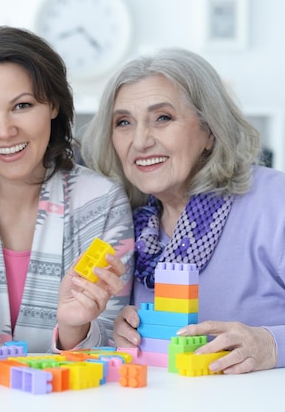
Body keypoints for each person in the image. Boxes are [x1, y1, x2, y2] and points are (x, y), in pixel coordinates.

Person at [81, 47, 285, 374]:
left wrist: (271, 344)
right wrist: (125, 332)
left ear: (209, 130)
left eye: (163, 117)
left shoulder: (275, 201)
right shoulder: (130, 226)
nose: (140, 141)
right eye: (123, 123)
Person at [0, 26, 135, 354]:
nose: (4, 130)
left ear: (53, 104)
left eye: (22, 106)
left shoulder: (101, 202)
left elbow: (115, 339)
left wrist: (75, 327)